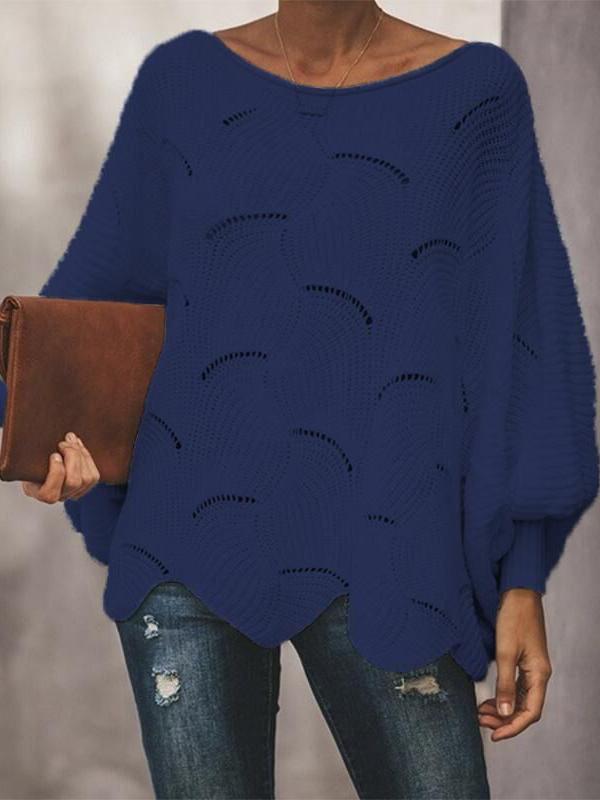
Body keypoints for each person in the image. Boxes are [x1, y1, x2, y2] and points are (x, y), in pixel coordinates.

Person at [2, 2, 598, 798]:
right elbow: (98, 301)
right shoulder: (181, 82)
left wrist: (522, 576)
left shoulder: (477, 94)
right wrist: (48, 439)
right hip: (188, 542)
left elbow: (525, 335)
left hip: (389, 545)